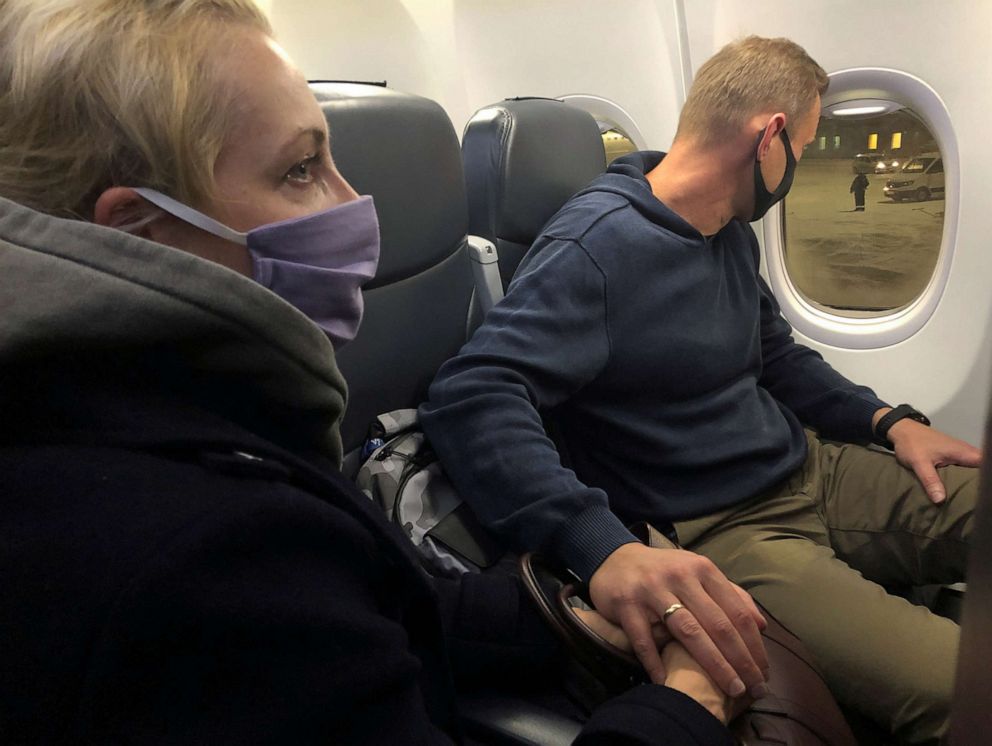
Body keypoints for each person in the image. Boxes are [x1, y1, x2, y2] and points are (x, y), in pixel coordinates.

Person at [0, 1, 738, 743]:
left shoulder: (154, 415)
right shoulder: (202, 555)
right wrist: (687, 709)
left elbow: (372, 598)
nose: (355, 204)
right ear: (140, 232)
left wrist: (565, 612)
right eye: (299, 169)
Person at [421, 35, 980, 744]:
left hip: (812, 468)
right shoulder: (597, 247)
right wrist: (600, 546)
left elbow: (776, 355)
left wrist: (888, 421)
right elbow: (473, 393)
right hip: (728, 529)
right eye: (803, 150)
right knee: (965, 689)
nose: (797, 172)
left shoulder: (729, 232)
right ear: (770, 138)